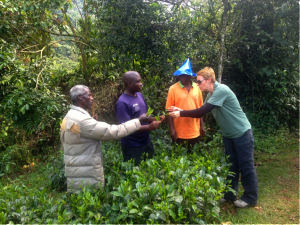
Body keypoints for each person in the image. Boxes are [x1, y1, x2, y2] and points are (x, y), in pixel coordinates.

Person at [168, 67, 258, 208]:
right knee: (231, 166)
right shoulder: (211, 95)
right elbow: (199, 111)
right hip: (229, 135)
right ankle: (229, 195)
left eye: (199, 81)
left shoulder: (221, 90)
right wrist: (181, 110)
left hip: (241, 133)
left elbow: (201, 112)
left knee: (245, 165)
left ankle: (251, 197)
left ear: (209, 80)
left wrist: (181, 114)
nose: (197, 84)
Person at [60, 85, 149, 193]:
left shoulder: (69, 116)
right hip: (86, 172)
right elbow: (112, 132)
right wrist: (138, 121)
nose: (92, 98)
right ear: (80, 97)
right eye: (89, 95)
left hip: (76, 169)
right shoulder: (83, 121)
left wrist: (90, 123)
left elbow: (73, 133)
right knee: (90, 203)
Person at [115, 71, 164, 166]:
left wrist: (155, 119)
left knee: (148, 170)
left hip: (146, 141)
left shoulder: (139, 95)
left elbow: (145, 117)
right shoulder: (122, 103)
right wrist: (149, 127)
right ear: (129, 83)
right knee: (134, 174)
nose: (141, 83)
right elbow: (125, 128)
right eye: (138, 81)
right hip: (132, 145)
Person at [165, 58, 205, 154]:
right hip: (179, 132)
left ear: (190, 76)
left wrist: (202, 126)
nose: (183, 78)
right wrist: (172, 129)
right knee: (179, 161)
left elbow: (201, 109)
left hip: (194, 130)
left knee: (194, 159)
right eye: (181, 76)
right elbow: (168, 110)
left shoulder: (197, 88)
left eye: (185, 75)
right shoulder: (173, 89)